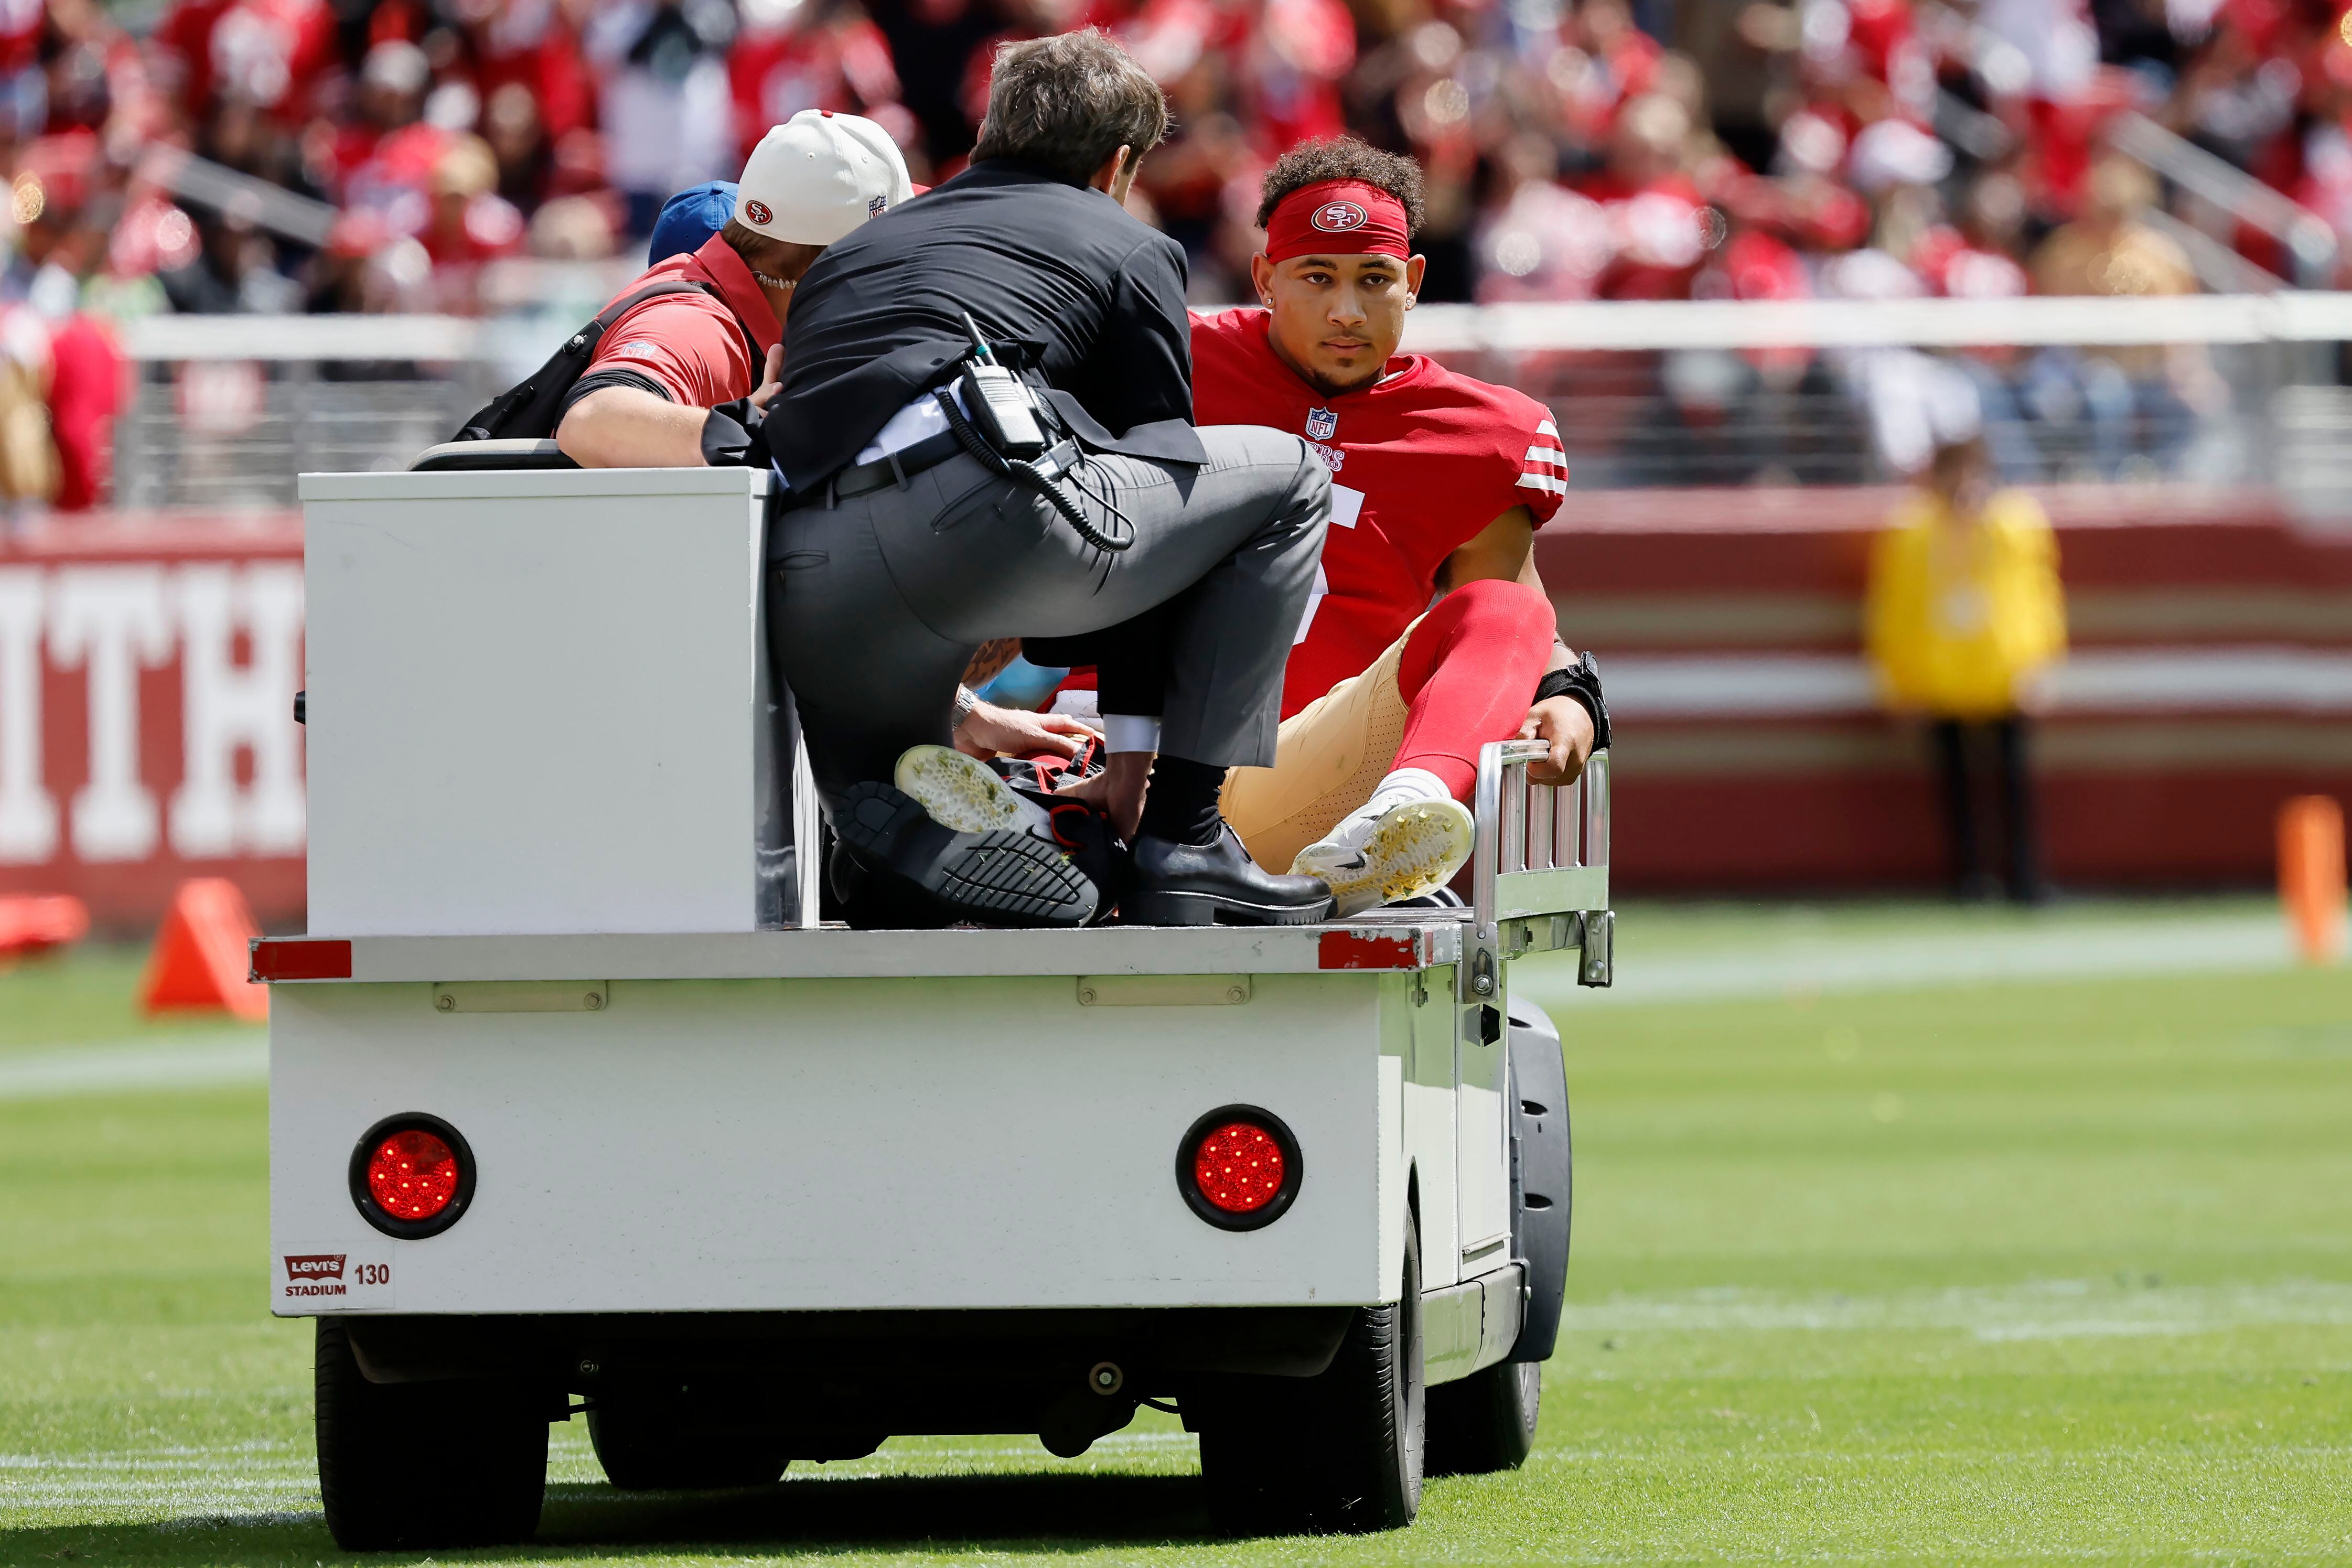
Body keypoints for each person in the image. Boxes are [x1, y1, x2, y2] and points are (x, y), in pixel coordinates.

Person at [761, 29, 1336, 930]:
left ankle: (891, 864)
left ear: (991, 133)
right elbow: (1166, 485)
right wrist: (1138, 768)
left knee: (897, 803)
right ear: (1117, 165)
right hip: (981, 508)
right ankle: (1188, 840)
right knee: (1294, 478)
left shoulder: (851, 252)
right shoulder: (1129, 244)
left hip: (807, 569)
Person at [1050, 139, 1603, 916]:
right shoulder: (1168, 360)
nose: (1347, 311)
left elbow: (1511, 615)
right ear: (1266, 279)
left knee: (1511, 610)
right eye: (1317, 277)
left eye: (1372, 280)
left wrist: (1573, 694)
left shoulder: (1480, 435)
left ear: (1411, 282)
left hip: (1298, 779)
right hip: (1116, 752)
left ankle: (1401, 816)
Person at [553, 109, 911, 471]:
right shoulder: (700, 323)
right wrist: (758, 431)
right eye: (881, 255)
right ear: (831, 266)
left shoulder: (756, 306)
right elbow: (592, 420)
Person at [1865, 393, 2068, 903]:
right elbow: (1895, 611)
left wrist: (2039, 663)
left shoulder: (2013, 523)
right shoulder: (1913, 532)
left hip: (2002, 672)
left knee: (2014, 786)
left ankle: (2025, 878)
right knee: (1955, 788)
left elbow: (2038, 596)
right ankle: (1969, 879)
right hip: (1943, 676)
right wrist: (1901, 681)